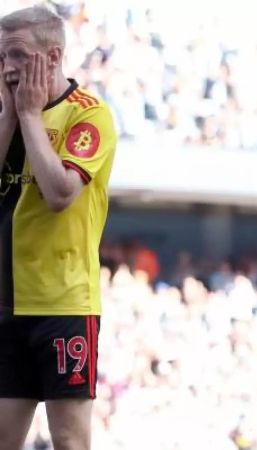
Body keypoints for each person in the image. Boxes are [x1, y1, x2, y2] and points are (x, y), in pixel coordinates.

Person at [0, 6, 117, 450]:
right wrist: (11, 117)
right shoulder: (3, 113)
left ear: (52, 57)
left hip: (63, 304)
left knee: (69, 440)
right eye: (1, 57)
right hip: (8, 302)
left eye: (17, 56)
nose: (8, 67)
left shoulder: (88, 115)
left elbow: (59, 195)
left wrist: (30, 117)